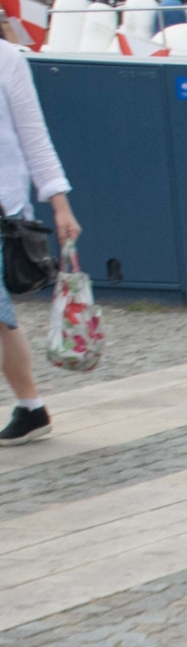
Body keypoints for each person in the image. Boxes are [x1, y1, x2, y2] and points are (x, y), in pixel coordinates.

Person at [0, 39, 75, 447]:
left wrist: (60, 206)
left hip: (2, 214)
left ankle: (30, 407)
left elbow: (35, 139)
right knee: (2, 320)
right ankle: (30, 407)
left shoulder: (7, 59)